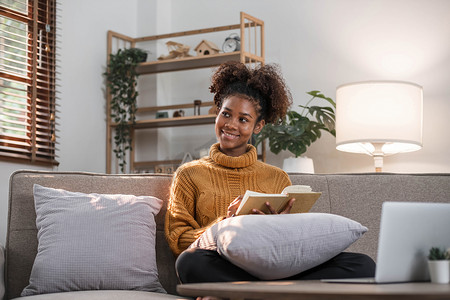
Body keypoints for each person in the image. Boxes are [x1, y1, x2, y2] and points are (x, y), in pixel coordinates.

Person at [164, 61, 375, 286]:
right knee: (189, 262)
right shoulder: (189, 174)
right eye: (226, 114)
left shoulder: (277, 178)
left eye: (243, 119)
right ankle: (274, 292)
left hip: (274, 266)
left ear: (258, 126)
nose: (231, 125)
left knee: (363, 264)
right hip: (222, 265)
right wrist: (226, 223)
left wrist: (281, 226)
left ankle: (245, 292)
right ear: (217, 114)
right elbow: (178, 240)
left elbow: (296, 245)